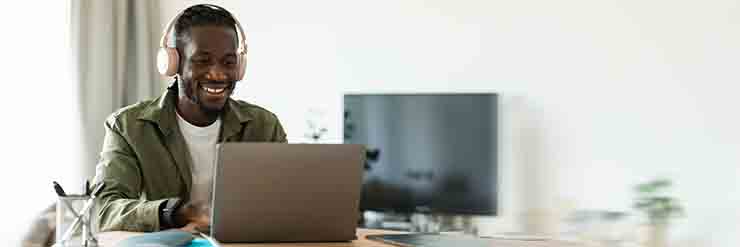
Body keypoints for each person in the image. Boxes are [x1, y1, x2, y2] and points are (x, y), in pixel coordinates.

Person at [92, 4, 286, 233]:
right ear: (174, 63)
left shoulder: (264, 126)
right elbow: (103, 210)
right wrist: (174, 211)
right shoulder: (128, 127)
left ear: (240, 66)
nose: (217, 74)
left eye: (228, 62)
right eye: (202, 61)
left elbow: (287, 202)